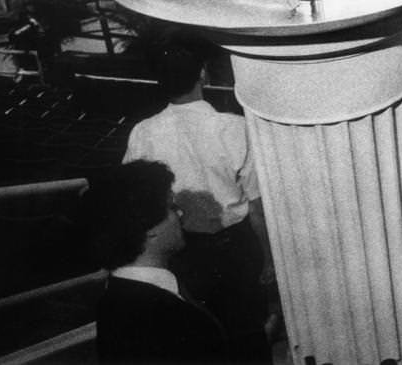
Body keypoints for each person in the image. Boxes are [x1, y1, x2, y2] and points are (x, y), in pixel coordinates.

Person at [123, 32, 273, 362]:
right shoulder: (234, 127)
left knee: (198, 342)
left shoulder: (143, 133)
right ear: (203, 73)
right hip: (235, 247)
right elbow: (258, 206)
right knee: (247, 335)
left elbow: (137, 204)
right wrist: (268, 258)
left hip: (180, 252)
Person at [80, 160, 230, 364]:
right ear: (150, 230)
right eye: (172, 208)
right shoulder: (171, 318)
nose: (180, 213)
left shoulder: (114, 298)